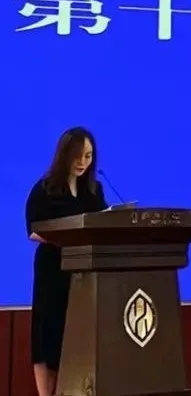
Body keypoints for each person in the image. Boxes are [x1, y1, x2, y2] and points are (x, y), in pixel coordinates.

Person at [25, 127, 108, 396]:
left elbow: (102, 224)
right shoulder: (45, 189)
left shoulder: (94, 191)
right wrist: (63, 238)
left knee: (75, 334)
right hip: (53, 269)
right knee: (47, 334)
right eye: (78, 156)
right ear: (65, 155)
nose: (83, 162)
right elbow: (33, 230)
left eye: (88, 156)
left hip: (84, 270)